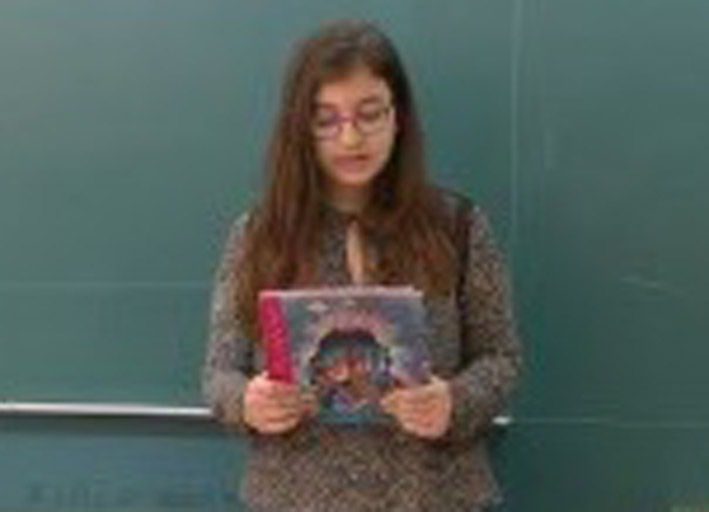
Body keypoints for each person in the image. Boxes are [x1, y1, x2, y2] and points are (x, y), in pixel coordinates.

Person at [203, 19, 522, 512]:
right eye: (326, 120)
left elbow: (502, 359)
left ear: (398, 116)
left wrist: (455, 402)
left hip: (433, 496)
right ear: (301, 128)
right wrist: (247, 402)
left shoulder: (457, 225)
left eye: (369, 114)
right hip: (296, 496)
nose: (350, 138)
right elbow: (219, 373)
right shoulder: (258, 236)